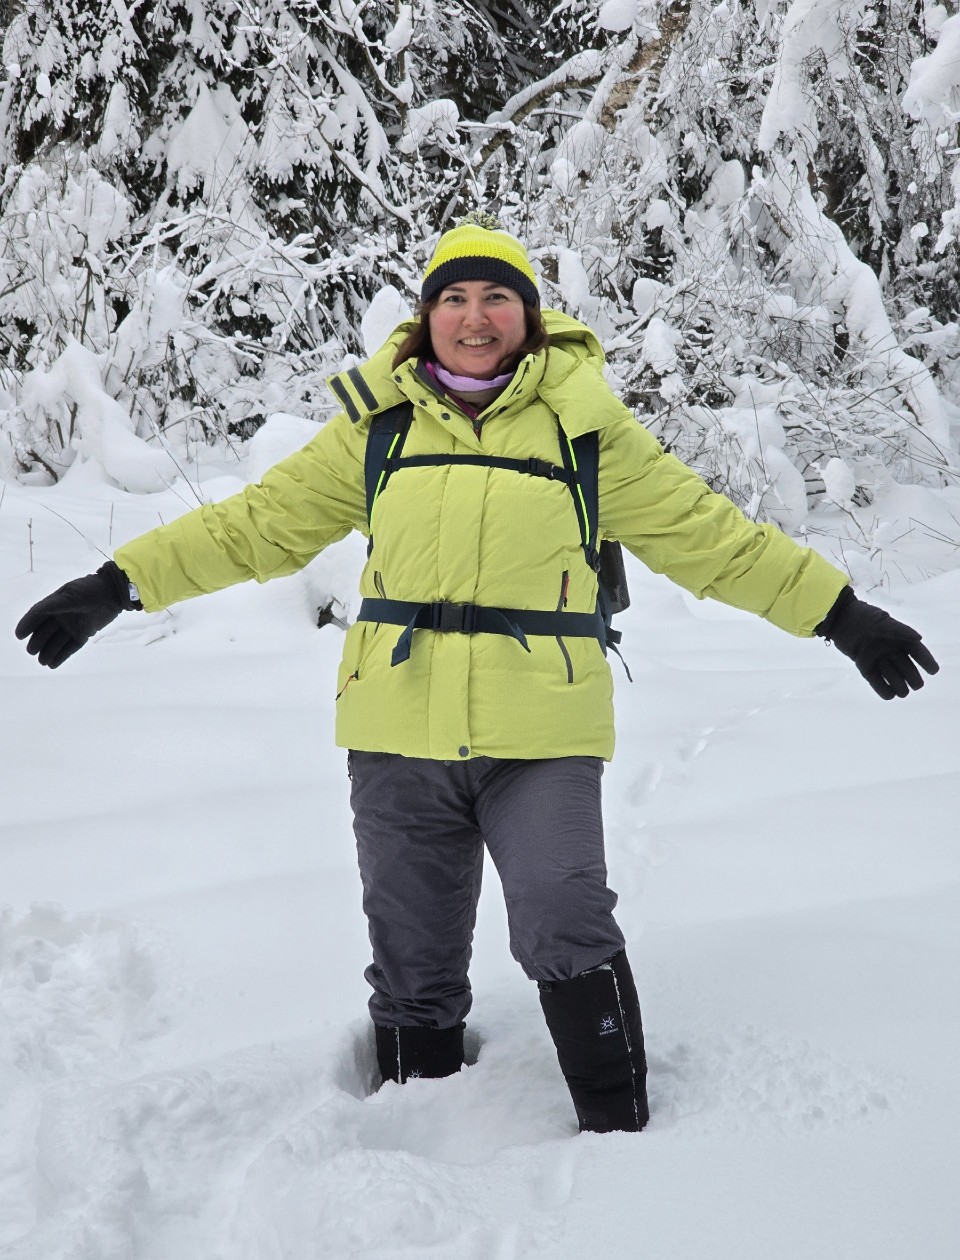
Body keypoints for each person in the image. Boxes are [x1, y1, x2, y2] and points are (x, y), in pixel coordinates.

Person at [14, 216, 939, 1134]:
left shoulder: (585, 432)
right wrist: (117, 585)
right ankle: (410, 1146)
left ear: (528, 316)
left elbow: (714, 540)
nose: (474, 315)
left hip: (541, 733)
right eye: (453, 297)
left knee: (563, 914)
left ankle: (623, 1144)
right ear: (427, 317)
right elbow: (252, 525)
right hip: (396, 731)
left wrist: (840, 615)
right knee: (412, 960)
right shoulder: (378, 429)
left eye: (497, 296)